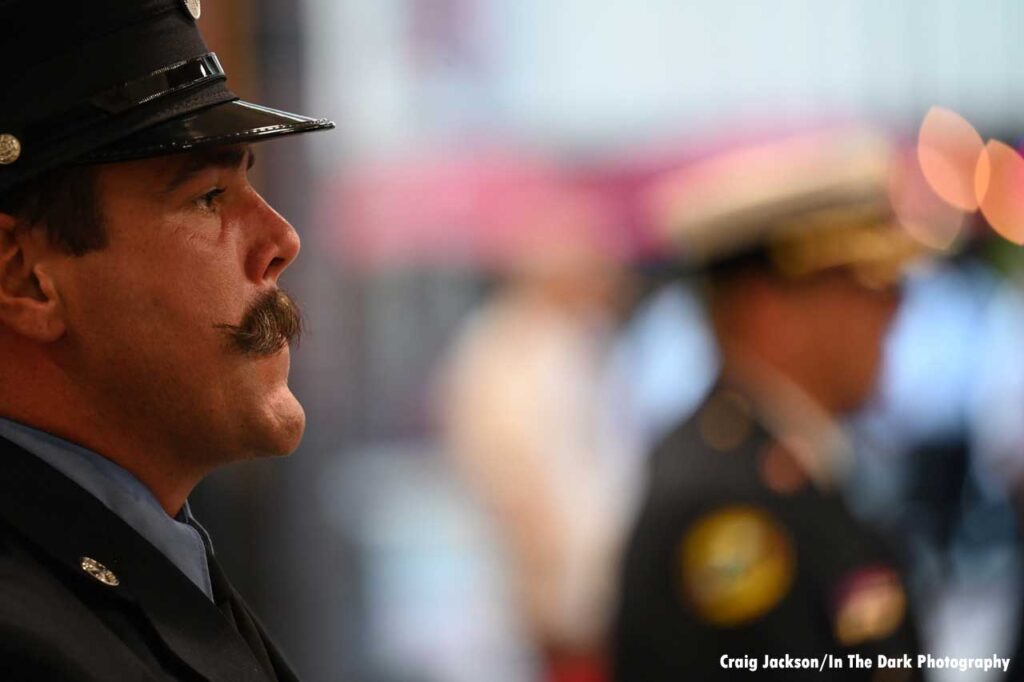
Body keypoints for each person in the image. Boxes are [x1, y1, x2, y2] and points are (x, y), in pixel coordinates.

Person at [0, 1, 332, 679]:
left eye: (250, 181)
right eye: (208, 196)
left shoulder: (134, 557)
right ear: (25, 277)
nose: (281, 241)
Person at [612, 130, 930, 681]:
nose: (893, 314)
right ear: (770, 314)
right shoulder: (720, 501)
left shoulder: (788, 459)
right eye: (868, 287)